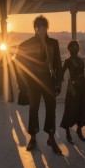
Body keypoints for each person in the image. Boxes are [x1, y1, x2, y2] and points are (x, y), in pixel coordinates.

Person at [15, 15, 63, 155]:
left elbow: (58, 64)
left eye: (44, 27)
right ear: (35, 28)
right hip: (33, 82)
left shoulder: (53, 43)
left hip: (49, 81)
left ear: (47, 28)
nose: (41, 30)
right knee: (33, 109)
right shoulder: (26, 45)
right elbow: (18, 66)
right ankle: (33, 137)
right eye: (39, 27)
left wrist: (58, 83)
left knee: (51, 109)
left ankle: (51, 138)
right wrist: (22, 86)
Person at [60, 40, 85, 142]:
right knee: (70, 109)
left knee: (82, 107)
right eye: (73, 47)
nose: (75, 49)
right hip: (73, 88)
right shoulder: (68, 61)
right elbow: (61, 72)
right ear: (69, 49)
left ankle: (79, 130)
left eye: (76, 47)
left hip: (83, 86)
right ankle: (68, 132)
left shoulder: (80, 60)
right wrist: (60, 81)